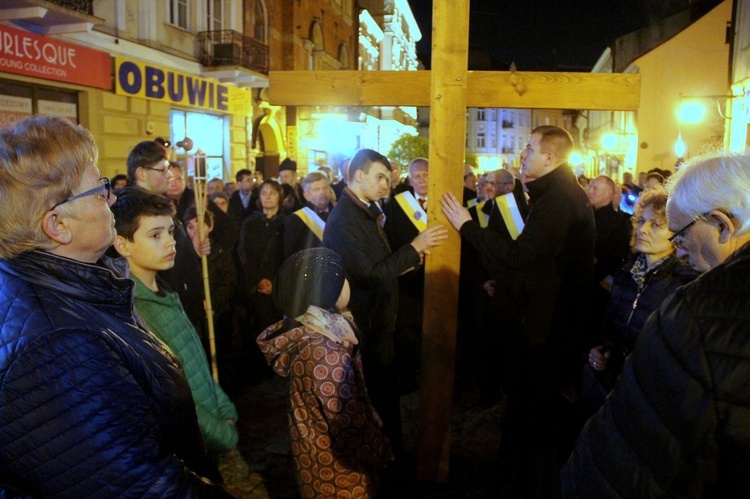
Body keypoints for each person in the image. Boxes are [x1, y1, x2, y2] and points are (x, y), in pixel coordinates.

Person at [0, 115, 229, 496]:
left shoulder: (70, 292)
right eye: (97, 189)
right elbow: (142, 484)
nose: (110, 198)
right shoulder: (60, 345)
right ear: (57, 224)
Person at [562, 152, 750, 497]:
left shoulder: (699, 309)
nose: (678, 252)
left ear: (723, 225)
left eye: (679, 236)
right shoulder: (636, 274)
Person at [441, 125, 595, 497]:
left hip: (546, 330)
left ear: (549, 158)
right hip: (543, 320)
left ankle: (527, 485)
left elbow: (521, 255)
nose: (523, 155)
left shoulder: (558, 198)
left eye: (529, 149)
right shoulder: (554, 193)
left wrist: (466, 225)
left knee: (534, 415)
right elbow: (540, 266)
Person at [323, 148, 447, 456]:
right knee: (377, 400)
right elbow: (370, 274)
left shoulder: (364, 209)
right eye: (379, 177)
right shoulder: (345, 218)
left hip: (378, 319)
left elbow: (380, 263)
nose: (386, 184)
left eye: (388, 178)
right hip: (366, 323)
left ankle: (391, 458)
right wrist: (414, 247)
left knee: (384, 396)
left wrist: (410, 261)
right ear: (359, 176)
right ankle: (386, 463)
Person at [111, 187, 239, 463]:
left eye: (170, 231)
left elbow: (195, 363)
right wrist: (221, 433)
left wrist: (223, 406)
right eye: (155, 235)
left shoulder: (165, 294)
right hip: (187, 450)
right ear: (123, 245)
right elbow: (175, 397)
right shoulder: (137, 313)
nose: (171, 242)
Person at [258, 248, 393, 498]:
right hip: (339, 476)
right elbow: (348, 425)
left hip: (315, 463)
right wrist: (379, 451)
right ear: (328, 290)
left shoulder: (312, 330)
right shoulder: (327, 354)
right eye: (342, 278)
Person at [579, 186, 699, 424]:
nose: (643, 230)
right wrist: (599, 348)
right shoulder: (626, 272)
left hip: (647, 397)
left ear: (677, 231)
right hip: (609, 383)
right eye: (641, 221)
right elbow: (609, 322)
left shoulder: (684, 283)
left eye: (656, 224)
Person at [127, 141, 209, 346]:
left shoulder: (157, 204)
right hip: (166, 304)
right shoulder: (137, 210)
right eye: (162, 170)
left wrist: (192, 250)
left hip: (181, 300)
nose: (169, 175)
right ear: (142, 173)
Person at [383, 157, 430, 393]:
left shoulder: (444, 201)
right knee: (407, 332)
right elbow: (390, 240)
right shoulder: (398, 205)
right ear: (409, 180)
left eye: (426, 175)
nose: (422, 180)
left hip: (438, 278)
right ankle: (409, 379)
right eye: (417, 176)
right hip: (409, 280)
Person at [237, 179, 287, 378]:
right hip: (257, 287)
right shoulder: (250, 223)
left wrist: (276, 282)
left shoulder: (286, 223)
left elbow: (289, 254)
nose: (267, 196)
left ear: (279, 197)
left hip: (279, 286)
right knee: (259, 329)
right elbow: (244, 254)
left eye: (272, 192)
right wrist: (258, 279)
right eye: (264, 193)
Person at [284, 171, 334, 257]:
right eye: (317, 189)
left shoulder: (340, 213)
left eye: (325, 188)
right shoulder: (296, 220)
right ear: (306, 195)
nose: (322, 192)